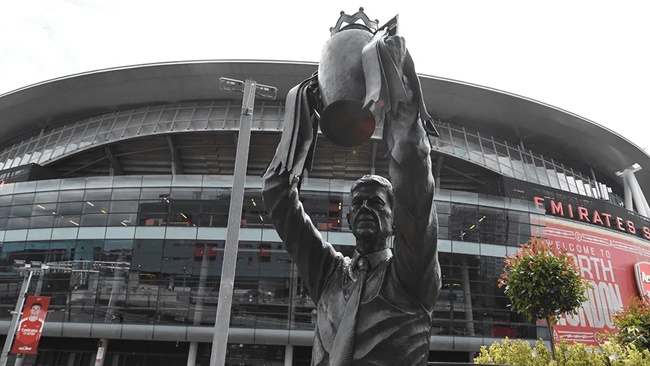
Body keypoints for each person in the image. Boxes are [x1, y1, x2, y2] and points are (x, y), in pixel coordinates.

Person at [262, 56, 441, 365]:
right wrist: (303, 110)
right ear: (347, 220)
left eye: (376, 202)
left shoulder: (410, 275)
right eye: (357, 203)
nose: (364, 208)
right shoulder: (328, 273)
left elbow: (415, 191)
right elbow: (278, 196)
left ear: (394, 220)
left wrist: (397, 94)